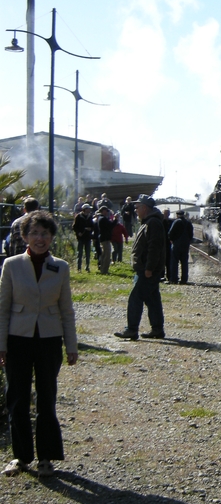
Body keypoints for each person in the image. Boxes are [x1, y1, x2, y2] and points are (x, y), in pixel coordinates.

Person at [0, 210, 78, 477]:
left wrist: (71, 345)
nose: (40, 238)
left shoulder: (61, 267)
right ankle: (21, 457)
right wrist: (1, 345)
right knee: (17, 398)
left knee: (47, 398)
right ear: (24, 236)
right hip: (17, 338)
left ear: (51, 237)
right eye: (34, 233)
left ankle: (46, 457)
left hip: (48, 339)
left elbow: (66, 309)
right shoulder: (11, 265)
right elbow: (2, 308)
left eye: (45, 233)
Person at [114, 195, 166, 341]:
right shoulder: (149, 222)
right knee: (152, 300)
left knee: (135, 298)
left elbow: (154, 249)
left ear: (144, 208)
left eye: (137, 207)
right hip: (147, 270)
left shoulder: (153, 223)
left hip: (147, 271)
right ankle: (157, 329)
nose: (135, 210)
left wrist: (149, 268)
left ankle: (131, 329)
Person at [168, 210, 194, 284]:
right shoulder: (188, 223)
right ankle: (184, 279)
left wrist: (171, 239)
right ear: (183, 215)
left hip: (176, 244)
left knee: (174, 262)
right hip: (185, 245)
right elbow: (191, 234)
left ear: (177, 215)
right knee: (184, 263)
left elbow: (170, 233)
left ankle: (174, 279)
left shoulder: (176, 222)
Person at [72, 203, 94, 272]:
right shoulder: (78, 216)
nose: (89, 210)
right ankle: (79, 268)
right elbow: (74, 227)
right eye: (88, 209)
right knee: (80, 253)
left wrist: (90, 229)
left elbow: (93, 226)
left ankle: (87, 267)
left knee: (88, 253)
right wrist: (78, 233)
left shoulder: (90, 217)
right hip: (81, 237)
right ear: (85, 209)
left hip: (88, 237)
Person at [95, 206, 114, 274]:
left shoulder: (101, 218)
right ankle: (105, 270)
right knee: (107, 255)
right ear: (103, 211)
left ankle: (102, 268)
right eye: (106, 211)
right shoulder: (103, 219)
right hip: (105, 239)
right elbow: (110, 226)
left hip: (103, 238)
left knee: (103, 254)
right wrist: (116, 220)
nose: (107, 212)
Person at [162, 209, 173, 282]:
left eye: (167, 214)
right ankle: (161, 276)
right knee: (162, 260)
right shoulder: (160, 222)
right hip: (162, 243)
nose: (166, 215)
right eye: (165, 214)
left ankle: (169, 276)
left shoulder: (171, 222)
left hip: (169, 243)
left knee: (169, 261)